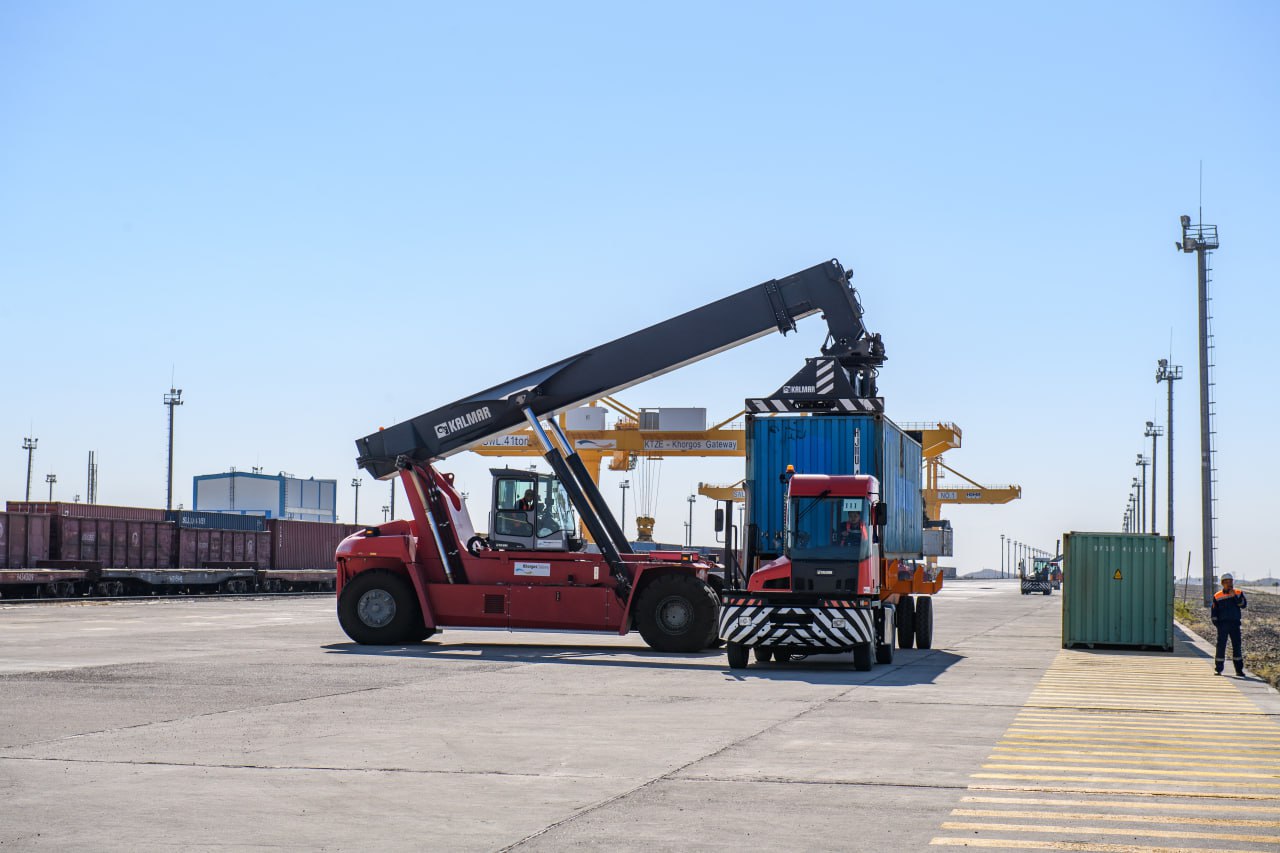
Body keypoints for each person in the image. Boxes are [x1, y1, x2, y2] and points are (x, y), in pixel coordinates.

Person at [1211, 572, 1247, 677]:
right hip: (1222, 625)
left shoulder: (1238, 593)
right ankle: (1218, 669)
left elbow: (1243, 605)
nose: (1229, 584)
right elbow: (1214, 612)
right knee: (1221, 646)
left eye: (1230, 581)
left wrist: (1235, 597)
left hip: (1235, 624)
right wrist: (1217, 624)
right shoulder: (1217, 596)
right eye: (1226, 582)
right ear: (1222, 583)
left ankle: (1239, 670)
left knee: (1237, 646)